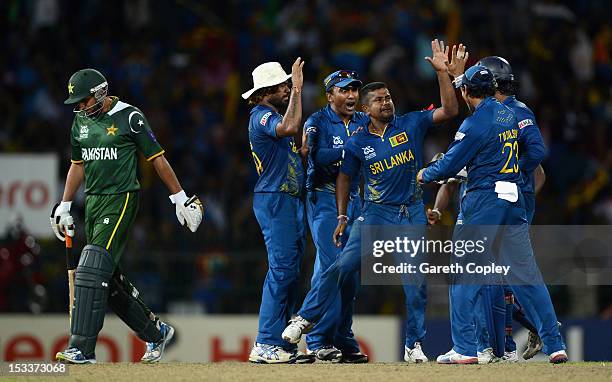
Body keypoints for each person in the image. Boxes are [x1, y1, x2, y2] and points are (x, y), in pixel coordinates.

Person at [282, 40, 463, 364]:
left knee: (415, 283)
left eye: (388, 97)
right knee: (343, 265)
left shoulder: (411, 123)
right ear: (366, 110)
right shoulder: (357, 142)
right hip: (375, 214)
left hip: (410, 213)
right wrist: (340, 217)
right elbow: (345, 178)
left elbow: (450, 110)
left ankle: (413, 346)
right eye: (379, 99)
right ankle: (304, 319)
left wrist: (442, 75)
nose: (386, 103)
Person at [417, 64, 567, 364]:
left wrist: (424, 174)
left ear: (466, 92)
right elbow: (531, 152)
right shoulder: (509, 114)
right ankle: (555, 344)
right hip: (513, 201)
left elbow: (448, 166)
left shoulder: (474, 125)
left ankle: (464, 349)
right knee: (527, 276)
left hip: (485, 201)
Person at [51, 68, 203, 364]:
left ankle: (81, 348)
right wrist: (65, 204)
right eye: (77, 103)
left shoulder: (130, 117)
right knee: (106, 279)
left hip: (121, 199)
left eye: (84, 101)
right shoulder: (80, 121)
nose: (80, 107)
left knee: (90, 270)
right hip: (93, 203)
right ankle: (157, 333)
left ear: (100, 93)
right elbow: (78, 164)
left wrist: (180, 198)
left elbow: (157, 158)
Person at [241, 58, 308, 364]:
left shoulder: (272, 115)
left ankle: (281, 343)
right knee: (281, 271)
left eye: (287, 84)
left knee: (291, 274)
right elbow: (290, 127)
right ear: (266, 91)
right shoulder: (261, 116)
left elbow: (290, 143)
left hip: (289, 199)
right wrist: (297, 89)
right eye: (281, 86)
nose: (286, 89)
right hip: (275, 199)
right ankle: (265, 343)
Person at [301, 70, 369, 362]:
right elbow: (315, 156)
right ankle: (318, 340)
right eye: (344, 90)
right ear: (330, 95)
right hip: (325, 198)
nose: (351, 95)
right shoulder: (316, 121)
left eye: (354, 90)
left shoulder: (365, 121)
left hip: (356, 199)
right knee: (334, 264)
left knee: (350, 274)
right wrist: (352, 151)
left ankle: (341, 338)